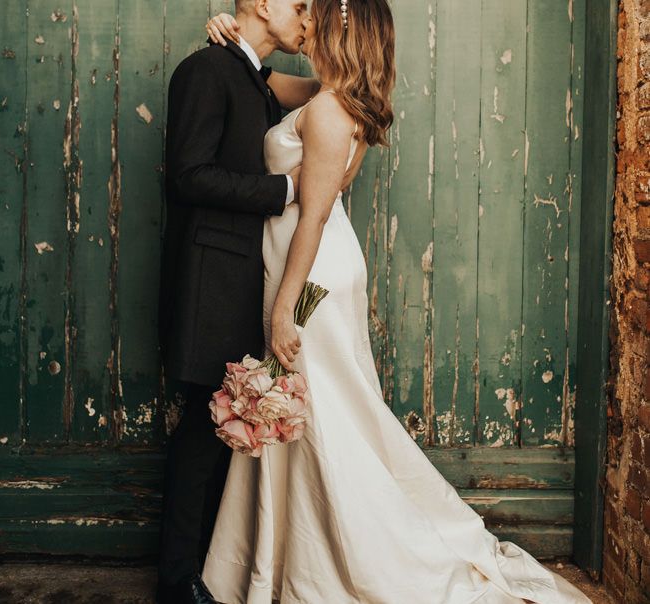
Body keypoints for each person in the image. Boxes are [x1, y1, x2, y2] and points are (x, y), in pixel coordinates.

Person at [198, 1, 595, 603]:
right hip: (315, 270)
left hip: (312, 279)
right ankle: (284, 553)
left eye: (317, 13)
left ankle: (351, 553)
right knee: (315, 412)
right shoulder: (330, 93)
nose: (306, 19)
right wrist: (230, 37)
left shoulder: (330, 111)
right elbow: (262, 79)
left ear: (342, 27)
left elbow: (314, 215)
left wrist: (285, 309)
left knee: (322, 416)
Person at [157, 1, 325, 602]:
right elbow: (189, 175)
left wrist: (336, 32)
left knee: (221, 435)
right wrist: (285, 189)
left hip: (238, 282)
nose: (306, 15)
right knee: (204, 434)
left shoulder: (255, 79)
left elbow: (335, 80)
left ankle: (205, 572)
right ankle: (178, 584)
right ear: (259, 3)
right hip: (209, 282)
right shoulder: (206, 71)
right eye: (300, 5)